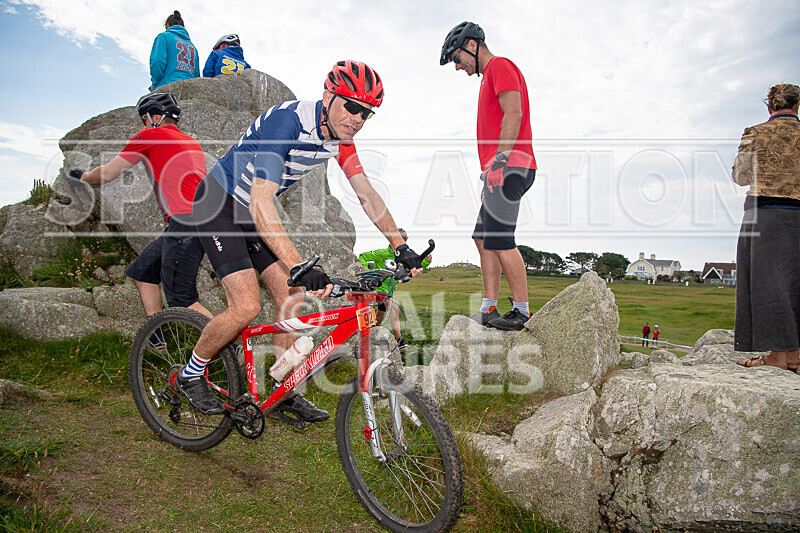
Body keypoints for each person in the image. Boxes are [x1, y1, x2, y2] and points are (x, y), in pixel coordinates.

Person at [183, 60, 427, 418]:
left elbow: (367, 196)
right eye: (352, 106)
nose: (358, 118)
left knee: (290, 295)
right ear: (328, 97)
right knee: (247, 305)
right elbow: (261, 200)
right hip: (217, 203)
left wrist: (399, 245)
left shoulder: (340, 139)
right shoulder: (288, 121)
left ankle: (282, 389)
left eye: (367, 113)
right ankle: (191, 375)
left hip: (249, 211)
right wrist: (298, 264)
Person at [68, 94, 211, 338]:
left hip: (185, 222)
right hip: (197, 220)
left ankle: (233, 345)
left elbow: (107, 174)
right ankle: (155, 340)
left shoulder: (151, 135)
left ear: (155, 118)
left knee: (181, 299)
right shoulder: (190, 142)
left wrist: (82, 177)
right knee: (141, 273)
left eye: (143, 120)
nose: (141, 126)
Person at [440, 21, 537, 331]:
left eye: (456, 59)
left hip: (512, 165)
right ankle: (489, 307)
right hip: (500, 170)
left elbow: (514, 112)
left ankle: (522, 311)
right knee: (482, 237)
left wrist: (500, 161)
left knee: (500, 239)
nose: (457, 67)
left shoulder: (499, 66)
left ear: (471, 45)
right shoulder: (488, 77)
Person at [733, 83, 800, 373]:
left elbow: (741, 176)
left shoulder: (754, 132)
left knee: (766, 283)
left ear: (769, 106)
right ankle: (794, 353)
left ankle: (778, 355)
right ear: (796, 106)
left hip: (764, 213)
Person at [358, 228, 432, 352]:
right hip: (376, 289)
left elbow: (416, 267)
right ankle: (390, 339)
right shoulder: (382, 253)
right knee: (378, 308)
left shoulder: (403, 258)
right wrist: (368, 274)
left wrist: (426, 262)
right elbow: (362, 257)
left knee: (382, 317)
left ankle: (388, 337)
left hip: (388, 292)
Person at [149, 10, 200, 91]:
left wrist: (155, 83)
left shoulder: (163, 37)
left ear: (166, 25)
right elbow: (196, 74)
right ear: (183, 27)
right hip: (189, 90)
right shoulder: (193, 47)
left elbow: (157, 61)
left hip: (167, 87)